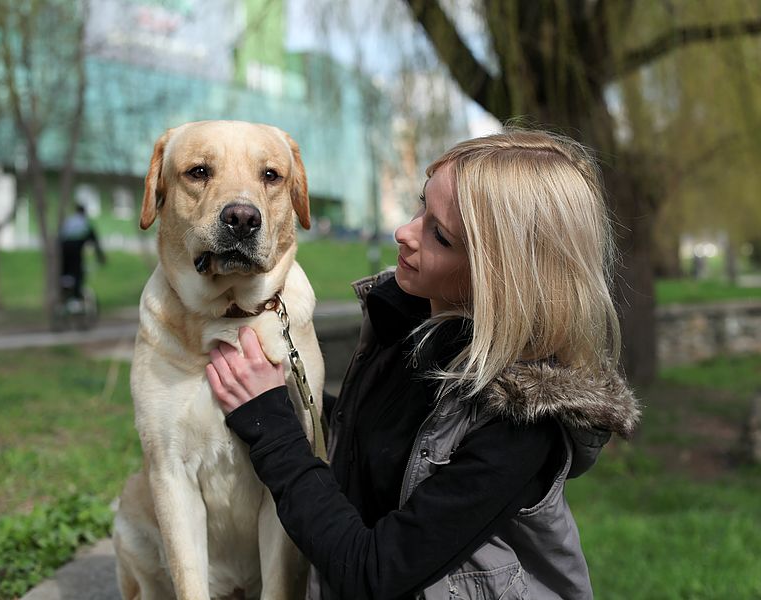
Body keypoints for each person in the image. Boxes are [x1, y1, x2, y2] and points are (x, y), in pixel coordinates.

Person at [206, 129, 641, 599]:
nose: (405, 232)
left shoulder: (520, 427)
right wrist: (285, 394)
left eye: (439, 235)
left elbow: (373, 572)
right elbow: (373, 442)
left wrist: (272, 426)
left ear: (500, 276)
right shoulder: (406, 329)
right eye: (420, 206)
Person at [59, 203, 106, 303]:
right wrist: (100, 256)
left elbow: (60, 235)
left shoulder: (68, 221)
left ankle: (65, 296)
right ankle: (76, 298)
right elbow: (94, 239)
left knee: (66, 272)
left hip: (64, 248)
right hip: (76, 247)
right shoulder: (85, 222)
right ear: (84, 212)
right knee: (77, 272)